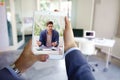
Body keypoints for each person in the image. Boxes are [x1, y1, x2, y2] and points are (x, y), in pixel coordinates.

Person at [0, 17, 95, 80]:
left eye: (51, 26)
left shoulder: (56, 33)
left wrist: (19, 67)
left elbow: (56, 41)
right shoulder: (42, 33)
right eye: (48, 26)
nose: (50, 27)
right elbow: (41, 40)